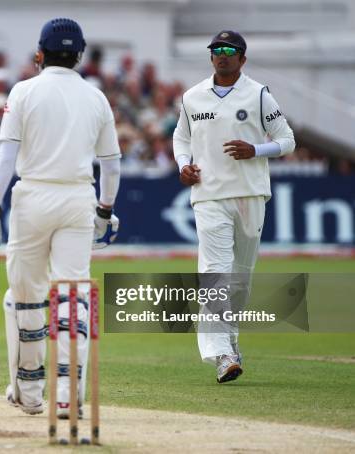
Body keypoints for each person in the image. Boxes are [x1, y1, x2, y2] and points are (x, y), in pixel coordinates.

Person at [0, 18, 121, 416]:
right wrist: (105, 210)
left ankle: (31, 390)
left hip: (32, 198)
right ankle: (67, 396)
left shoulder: (24, 90)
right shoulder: (96, 97)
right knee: (73, 297)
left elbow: (6, 154)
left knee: (26, 298)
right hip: (78, 199)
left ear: (40, 53)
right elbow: (111, 163)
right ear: (80, 55)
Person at [173, 30, 295, 383]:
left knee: (240, 277)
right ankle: (222, 354)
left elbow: (286, 140)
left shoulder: (258, 95)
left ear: (242, 58)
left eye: (230, 50)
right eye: (216, 50)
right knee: (216, 270)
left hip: (250, 194)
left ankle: (230, 340)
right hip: (208, 195)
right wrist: (184, 163)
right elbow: (182, 137)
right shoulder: (192, 97)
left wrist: (255, 150)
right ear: (211, 57)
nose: (222, 55)